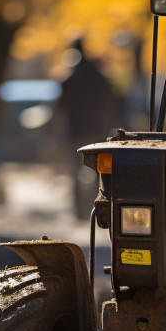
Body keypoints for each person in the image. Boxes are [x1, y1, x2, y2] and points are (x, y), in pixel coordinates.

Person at [59, 38, 120, 219]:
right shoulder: (98, 75)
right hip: (97, 130)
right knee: (98, 171)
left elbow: (62, 104)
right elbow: (111, 99)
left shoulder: (70, 76)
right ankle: (98, 210)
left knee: (74, 171)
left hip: (75, 131)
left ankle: (79, 212)